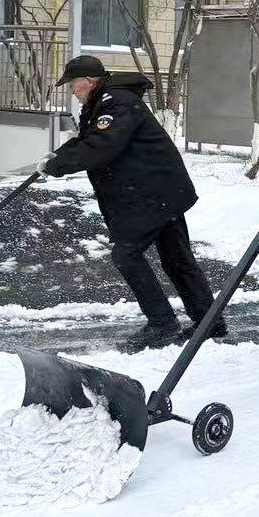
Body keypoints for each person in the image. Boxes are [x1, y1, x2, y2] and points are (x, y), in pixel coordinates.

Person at [39, 55, 225, 349]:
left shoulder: (116, 102)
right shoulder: (102, 102)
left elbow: (103, 146)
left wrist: (59, 166)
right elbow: (89, 139)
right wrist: (57, 157)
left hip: (152, 193)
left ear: (88, 82)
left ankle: (163, 323)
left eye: (73, 85)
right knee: (177, 259)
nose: (72, 91)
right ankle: (209, 323)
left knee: (127, 255)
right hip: (157, 190)